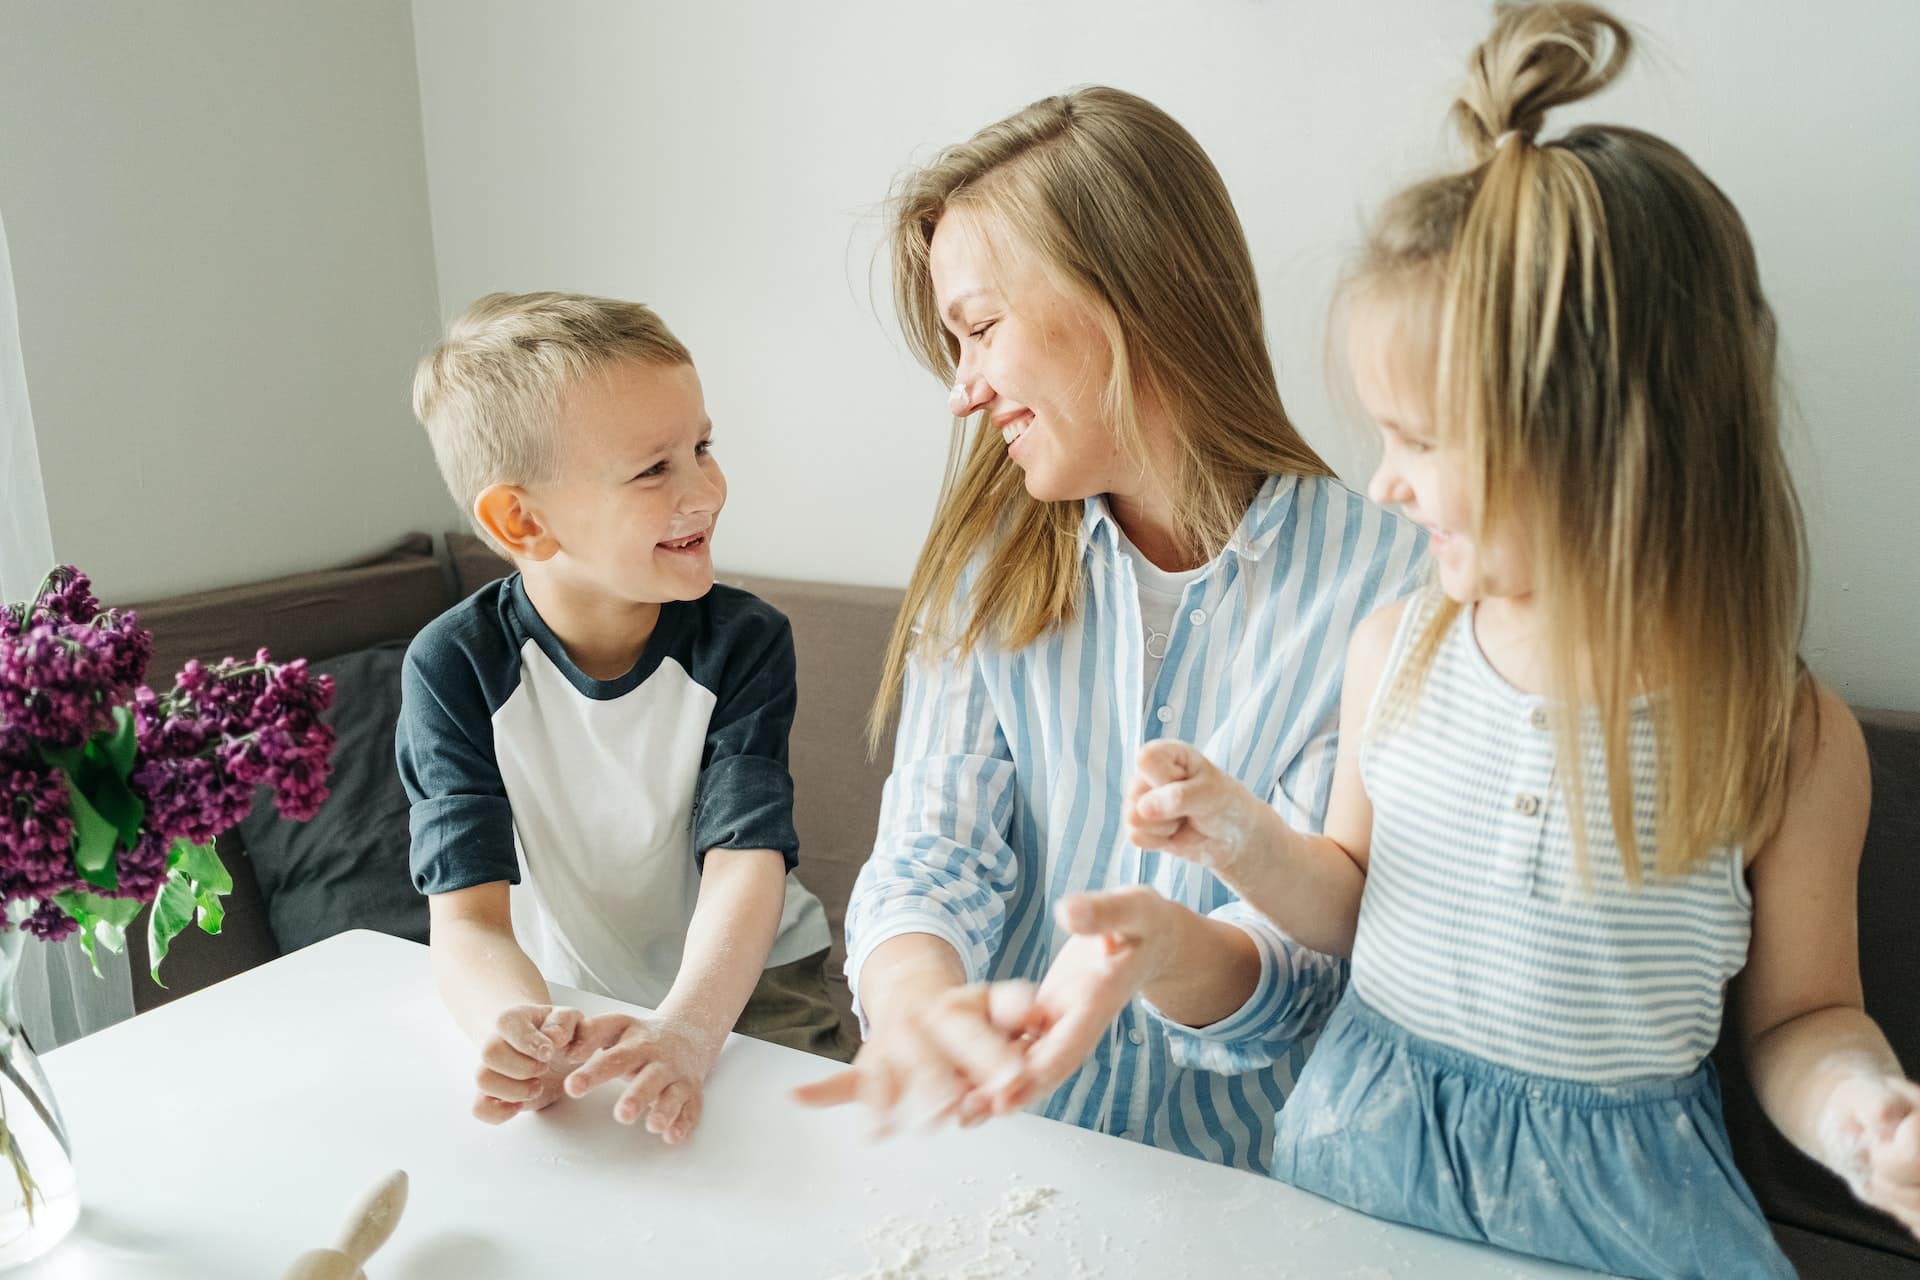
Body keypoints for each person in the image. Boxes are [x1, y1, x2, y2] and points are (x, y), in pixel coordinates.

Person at [1035, 7, 1920, 1275]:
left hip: (1623, 1220)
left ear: (1603, 446)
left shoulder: (1779, 732)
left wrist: (1861, 1110)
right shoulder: (1397, 648)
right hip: (1360, 1166)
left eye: (1420, 440)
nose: (1383, 485)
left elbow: (1806, 1013)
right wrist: (1241, 837)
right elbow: (1346, 899)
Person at [792, 88, 1425, 1170]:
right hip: (1004, 1153)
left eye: (981, 328)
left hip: (1252, 1189)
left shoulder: (1391, 583)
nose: (963, 389)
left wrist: (1162, 953)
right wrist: (912, 1004)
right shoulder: (983, 569)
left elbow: (1319, 957)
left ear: (1136, 296)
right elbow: (932, 851)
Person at [401, 291, 850, 1145]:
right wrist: (514, 1026)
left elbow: (745, 864)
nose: (706, 488)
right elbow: (467, 920)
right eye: (655, 469)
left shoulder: (745, 642)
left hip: (748, 979)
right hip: (570, 992)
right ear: (520, 520)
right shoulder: (452, 667)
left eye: (703, 447)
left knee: (803, 1155)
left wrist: (686, 1029)